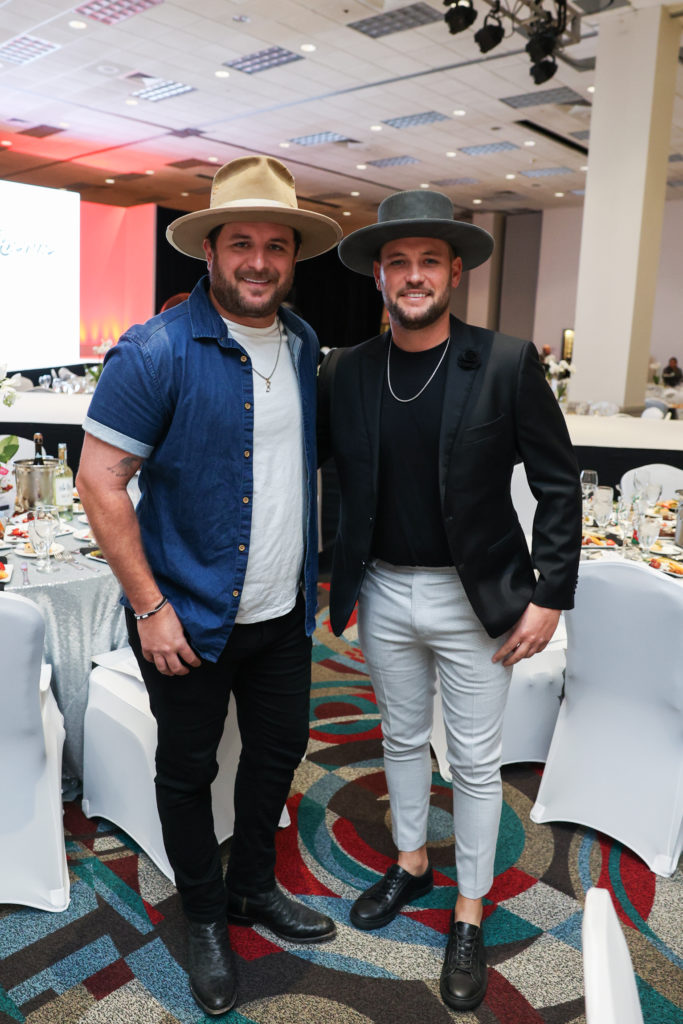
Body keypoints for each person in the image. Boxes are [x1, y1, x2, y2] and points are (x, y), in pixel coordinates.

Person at [77, 155, 343, 1017]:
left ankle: (253, 887)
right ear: (210, 251)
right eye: (241, 244)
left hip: (282, 614)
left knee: (277, 753)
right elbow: (98, 480)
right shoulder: (155, 349)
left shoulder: (301, 343)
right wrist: (149, 608)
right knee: (188, 771)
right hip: (184, 615)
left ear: (292, 256)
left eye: (276, 245)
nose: (259, 262)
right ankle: (202, 916)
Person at [317, 189, 581, 1013]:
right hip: (381, 589)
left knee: (471, 761)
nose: (412, 275)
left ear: (454, 272)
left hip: (476, 599)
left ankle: (468, 908)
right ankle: (410, 863)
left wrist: (549, 595)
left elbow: (557, 483)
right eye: (397, 262)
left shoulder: (503, 362)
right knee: (399, 739)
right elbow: (325, 473)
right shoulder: (346, 370)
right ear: (378, 276)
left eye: (428, 260)